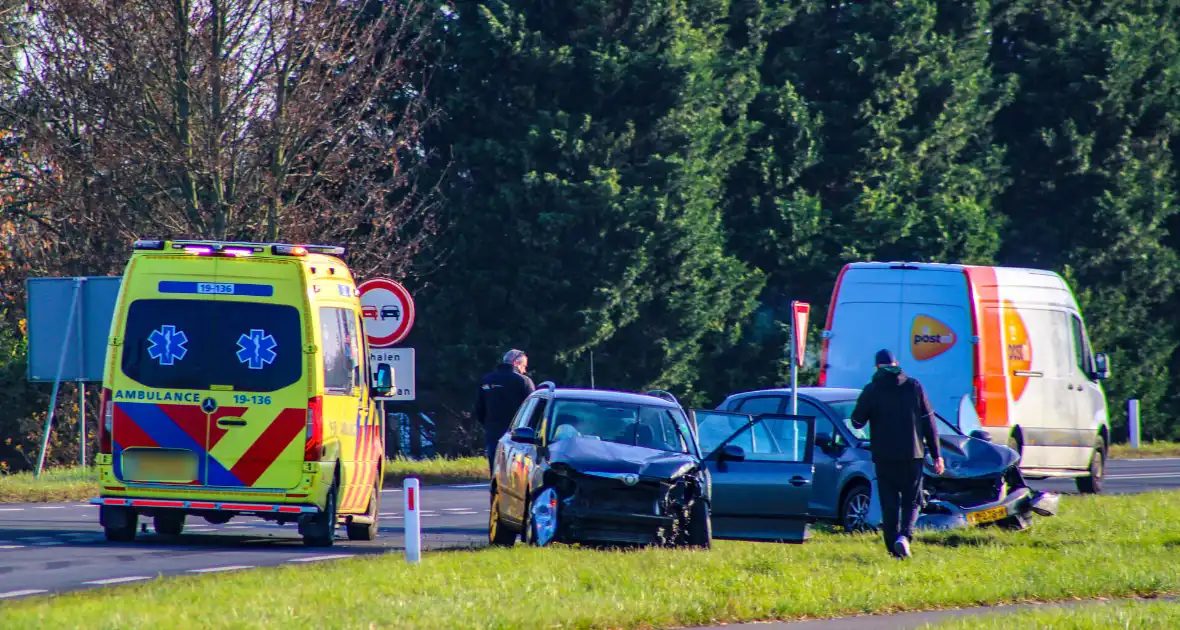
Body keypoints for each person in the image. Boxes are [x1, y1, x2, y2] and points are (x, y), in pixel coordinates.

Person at [851, 349, 945, 559]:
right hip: (913, 454)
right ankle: (905, 537)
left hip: (884, 456)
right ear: (896, 363)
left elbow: (857, 421)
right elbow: (929, 422)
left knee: (889, 502)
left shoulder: (872, 389)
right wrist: (937, 455)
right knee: (912, 499)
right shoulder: (914, 386)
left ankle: (893, 548)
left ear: (877, 367)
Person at [475, 349, 536, 476]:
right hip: (518, 436)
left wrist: (488, 424)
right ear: (516, 363)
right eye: (524, 366)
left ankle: (496, 493)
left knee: (496, 471)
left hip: (493, 432)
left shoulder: (487, 380)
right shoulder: (523, 381)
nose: (524, 370)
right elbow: (533, 411)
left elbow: (479, 408)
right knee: (516, 474)